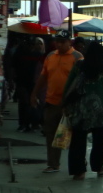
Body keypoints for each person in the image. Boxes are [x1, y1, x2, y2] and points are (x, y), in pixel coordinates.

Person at [63, 42, 103, 180]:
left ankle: (79, 171)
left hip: (80, 110)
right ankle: (98, 168)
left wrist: (64, 104)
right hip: (98, 111)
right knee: (99, 141)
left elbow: (68, 86)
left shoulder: (79, 66)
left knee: (78, 141)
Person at [31, 30, 83, 173]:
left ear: (69, 42)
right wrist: (34, 93)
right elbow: (43, 77)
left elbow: (81, 81)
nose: (59, 44)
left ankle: (79, 165)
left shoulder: (77, 57)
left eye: (62, 42)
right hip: (51, 102)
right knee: (51, 134)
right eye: (57, 41)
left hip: (71, 104)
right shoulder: (50, 56)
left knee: (72, 135)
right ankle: (53, 164)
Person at [14, 37, 45, 132]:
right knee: (25, 103)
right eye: (36, 44)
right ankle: (25, 124)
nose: (37, 46)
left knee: (31, 104)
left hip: (33, 83)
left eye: (40, 44)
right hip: (24, 82)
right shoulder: (24, 54)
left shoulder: (41, 56)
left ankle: (30, 123)